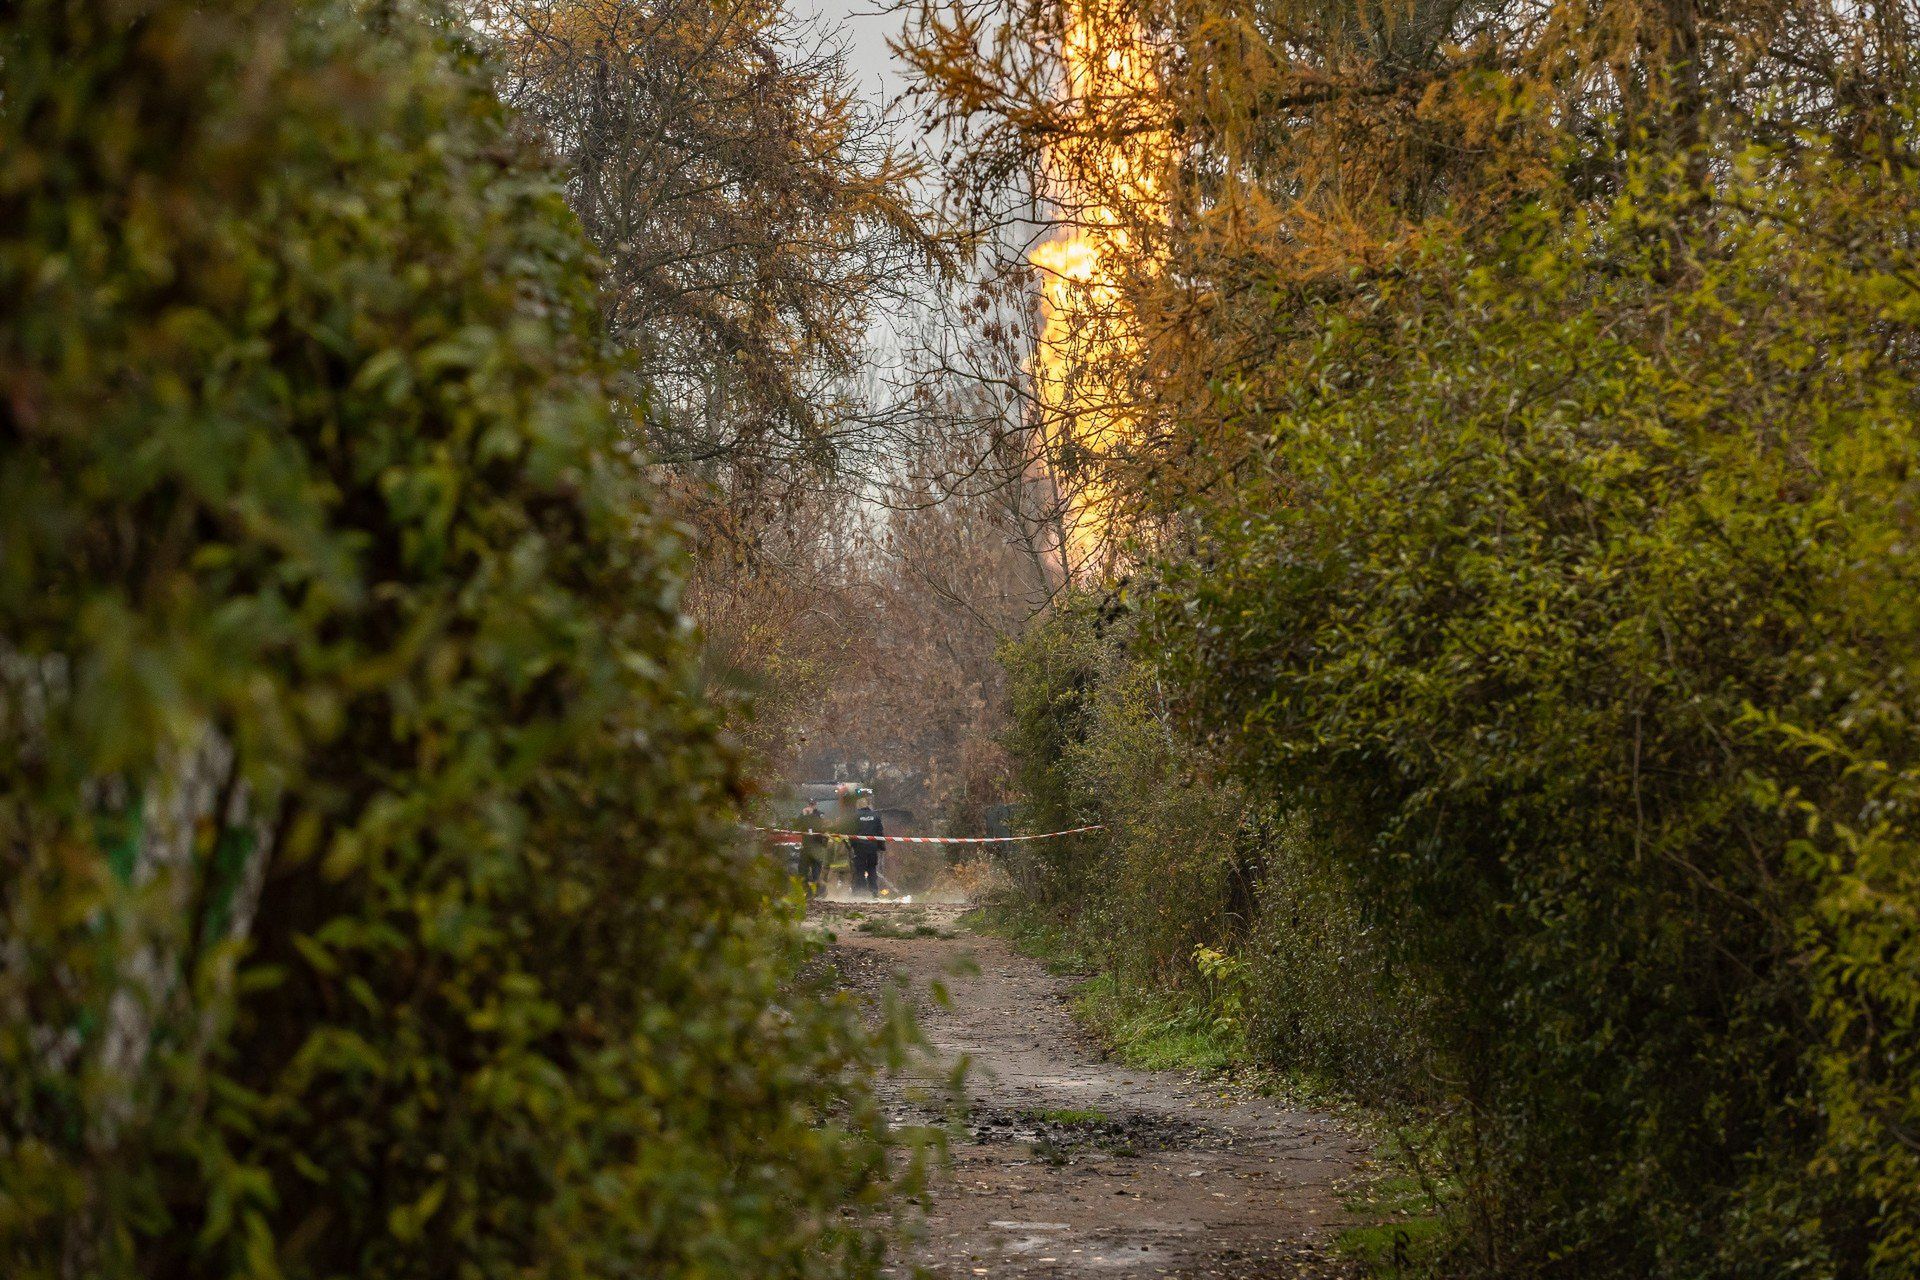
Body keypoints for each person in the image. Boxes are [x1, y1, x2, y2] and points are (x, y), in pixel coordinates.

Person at [849, 794, 884, 898]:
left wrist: (852, 845)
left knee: (860, 870)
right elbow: (880, 832)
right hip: (872, 848)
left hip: (859, 848)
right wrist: (881, 847)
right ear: (868, 804)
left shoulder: (854, 816)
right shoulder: (876, 816)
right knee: (872, 869)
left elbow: (851, 833)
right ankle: (874, 891)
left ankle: (861, 892)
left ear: (858, 805)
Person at [794, 799, 828, 898]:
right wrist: (803, 815)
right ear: (807, 804)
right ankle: (808, 892)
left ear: (816, 804)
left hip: (817, 846)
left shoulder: (820, 814)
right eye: (810, 804)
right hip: (806, 847)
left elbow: (822, 826)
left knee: (816, 873)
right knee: (802, 872)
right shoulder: (803, 814)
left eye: (813, 804)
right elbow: (796, 826)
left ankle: (820, 893)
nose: (811, 806)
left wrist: (810, 815)